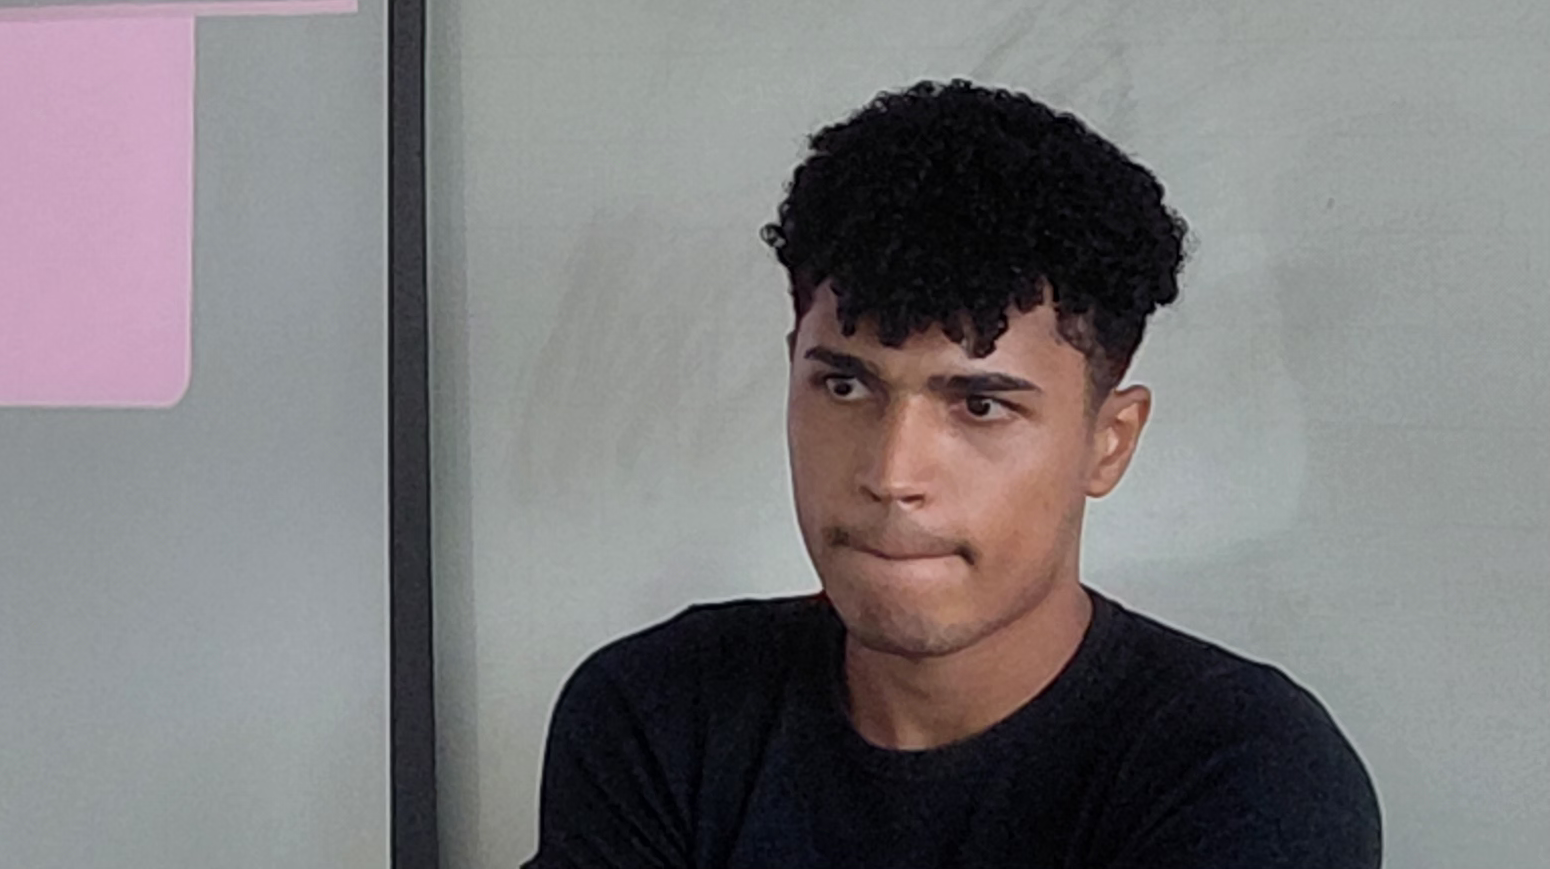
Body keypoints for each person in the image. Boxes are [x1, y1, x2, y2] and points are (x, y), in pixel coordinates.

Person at [529, 80, 1380, 868]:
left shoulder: (1244, 772)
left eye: (979, 405)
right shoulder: (659, 713)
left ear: (1109, 442)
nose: (891, 474)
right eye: (845, 386)